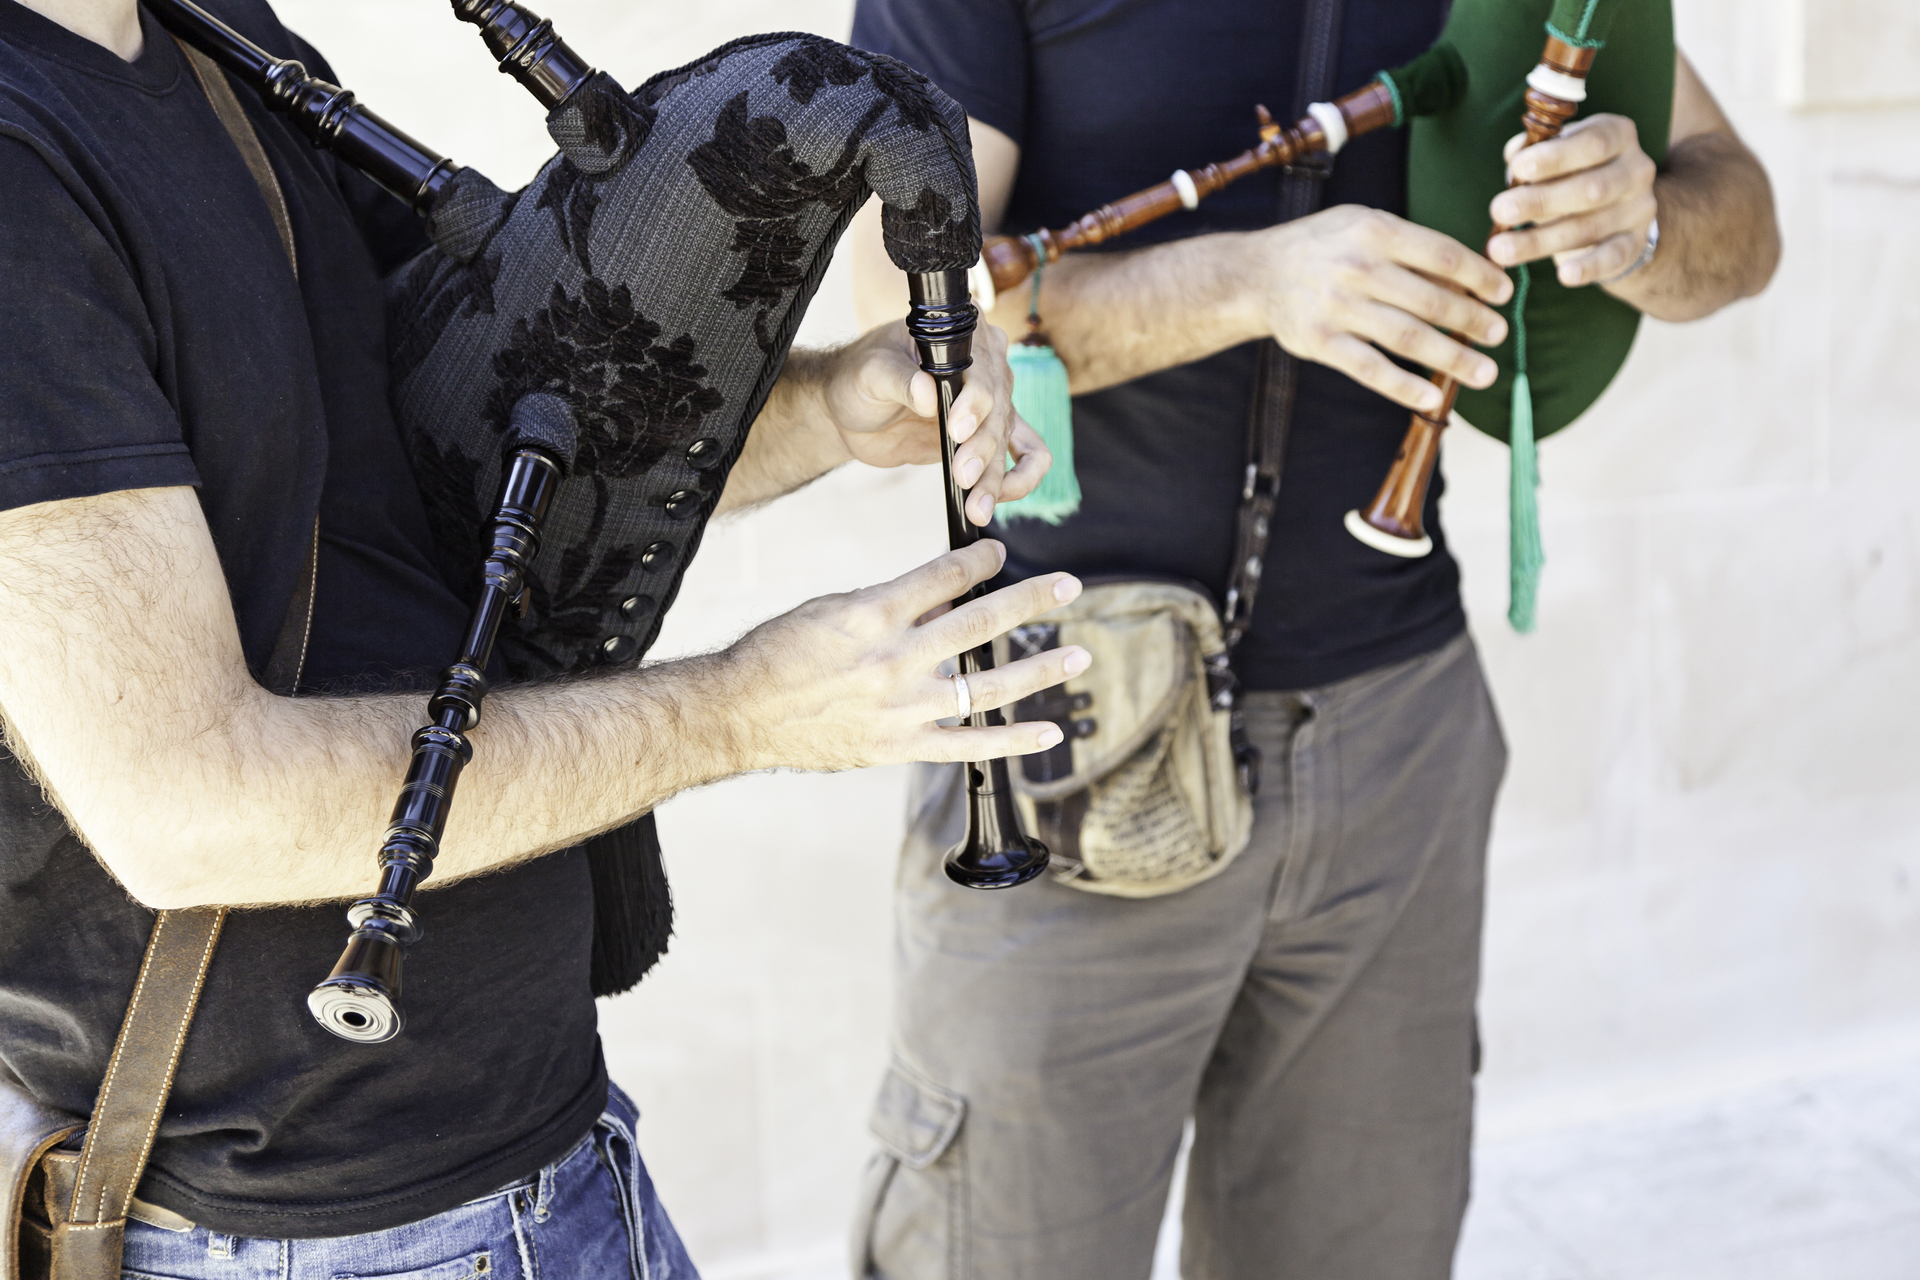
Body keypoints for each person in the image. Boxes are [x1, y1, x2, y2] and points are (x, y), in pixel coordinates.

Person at [0, 0, 1085, 1275]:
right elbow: (188, 800)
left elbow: (487, 448)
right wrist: (743, 710)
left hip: (552, 1153)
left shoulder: (206, 39)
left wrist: (831, 404)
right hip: (314, 1231)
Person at [845, 1, 1780, 1277]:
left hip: (1397, 743)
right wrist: (1251, 282)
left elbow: (1743, 218)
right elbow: (903, 318)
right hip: (1065, 734)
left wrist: (1644, 220)